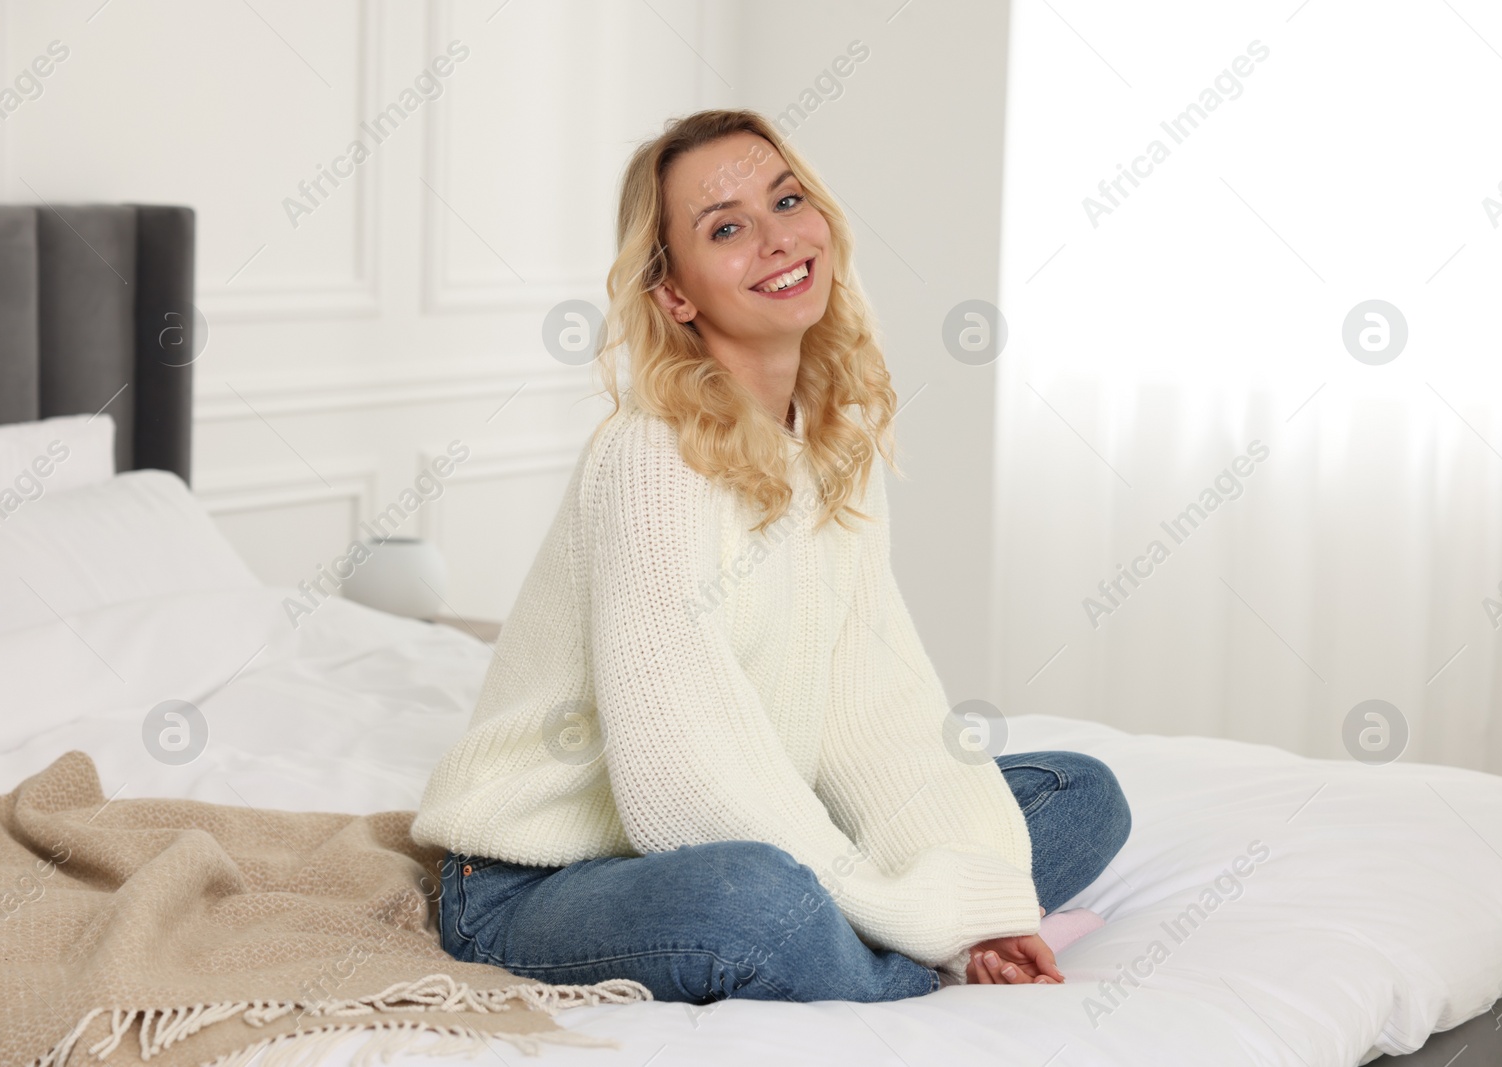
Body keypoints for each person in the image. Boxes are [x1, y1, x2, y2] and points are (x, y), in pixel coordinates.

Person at [410, 108, 1132, 1002]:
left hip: (756, 823)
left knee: (1081, 795)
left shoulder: (833, 441)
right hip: (546, 879)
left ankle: (880, 938)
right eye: (725, 228)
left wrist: (969, 893)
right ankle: (902, 964)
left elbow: (876, 701)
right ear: (675, 294)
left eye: (787, 200)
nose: (777, 238)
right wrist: (911, 910)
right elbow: (679, 770)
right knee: (757, 902)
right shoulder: (650, 456)